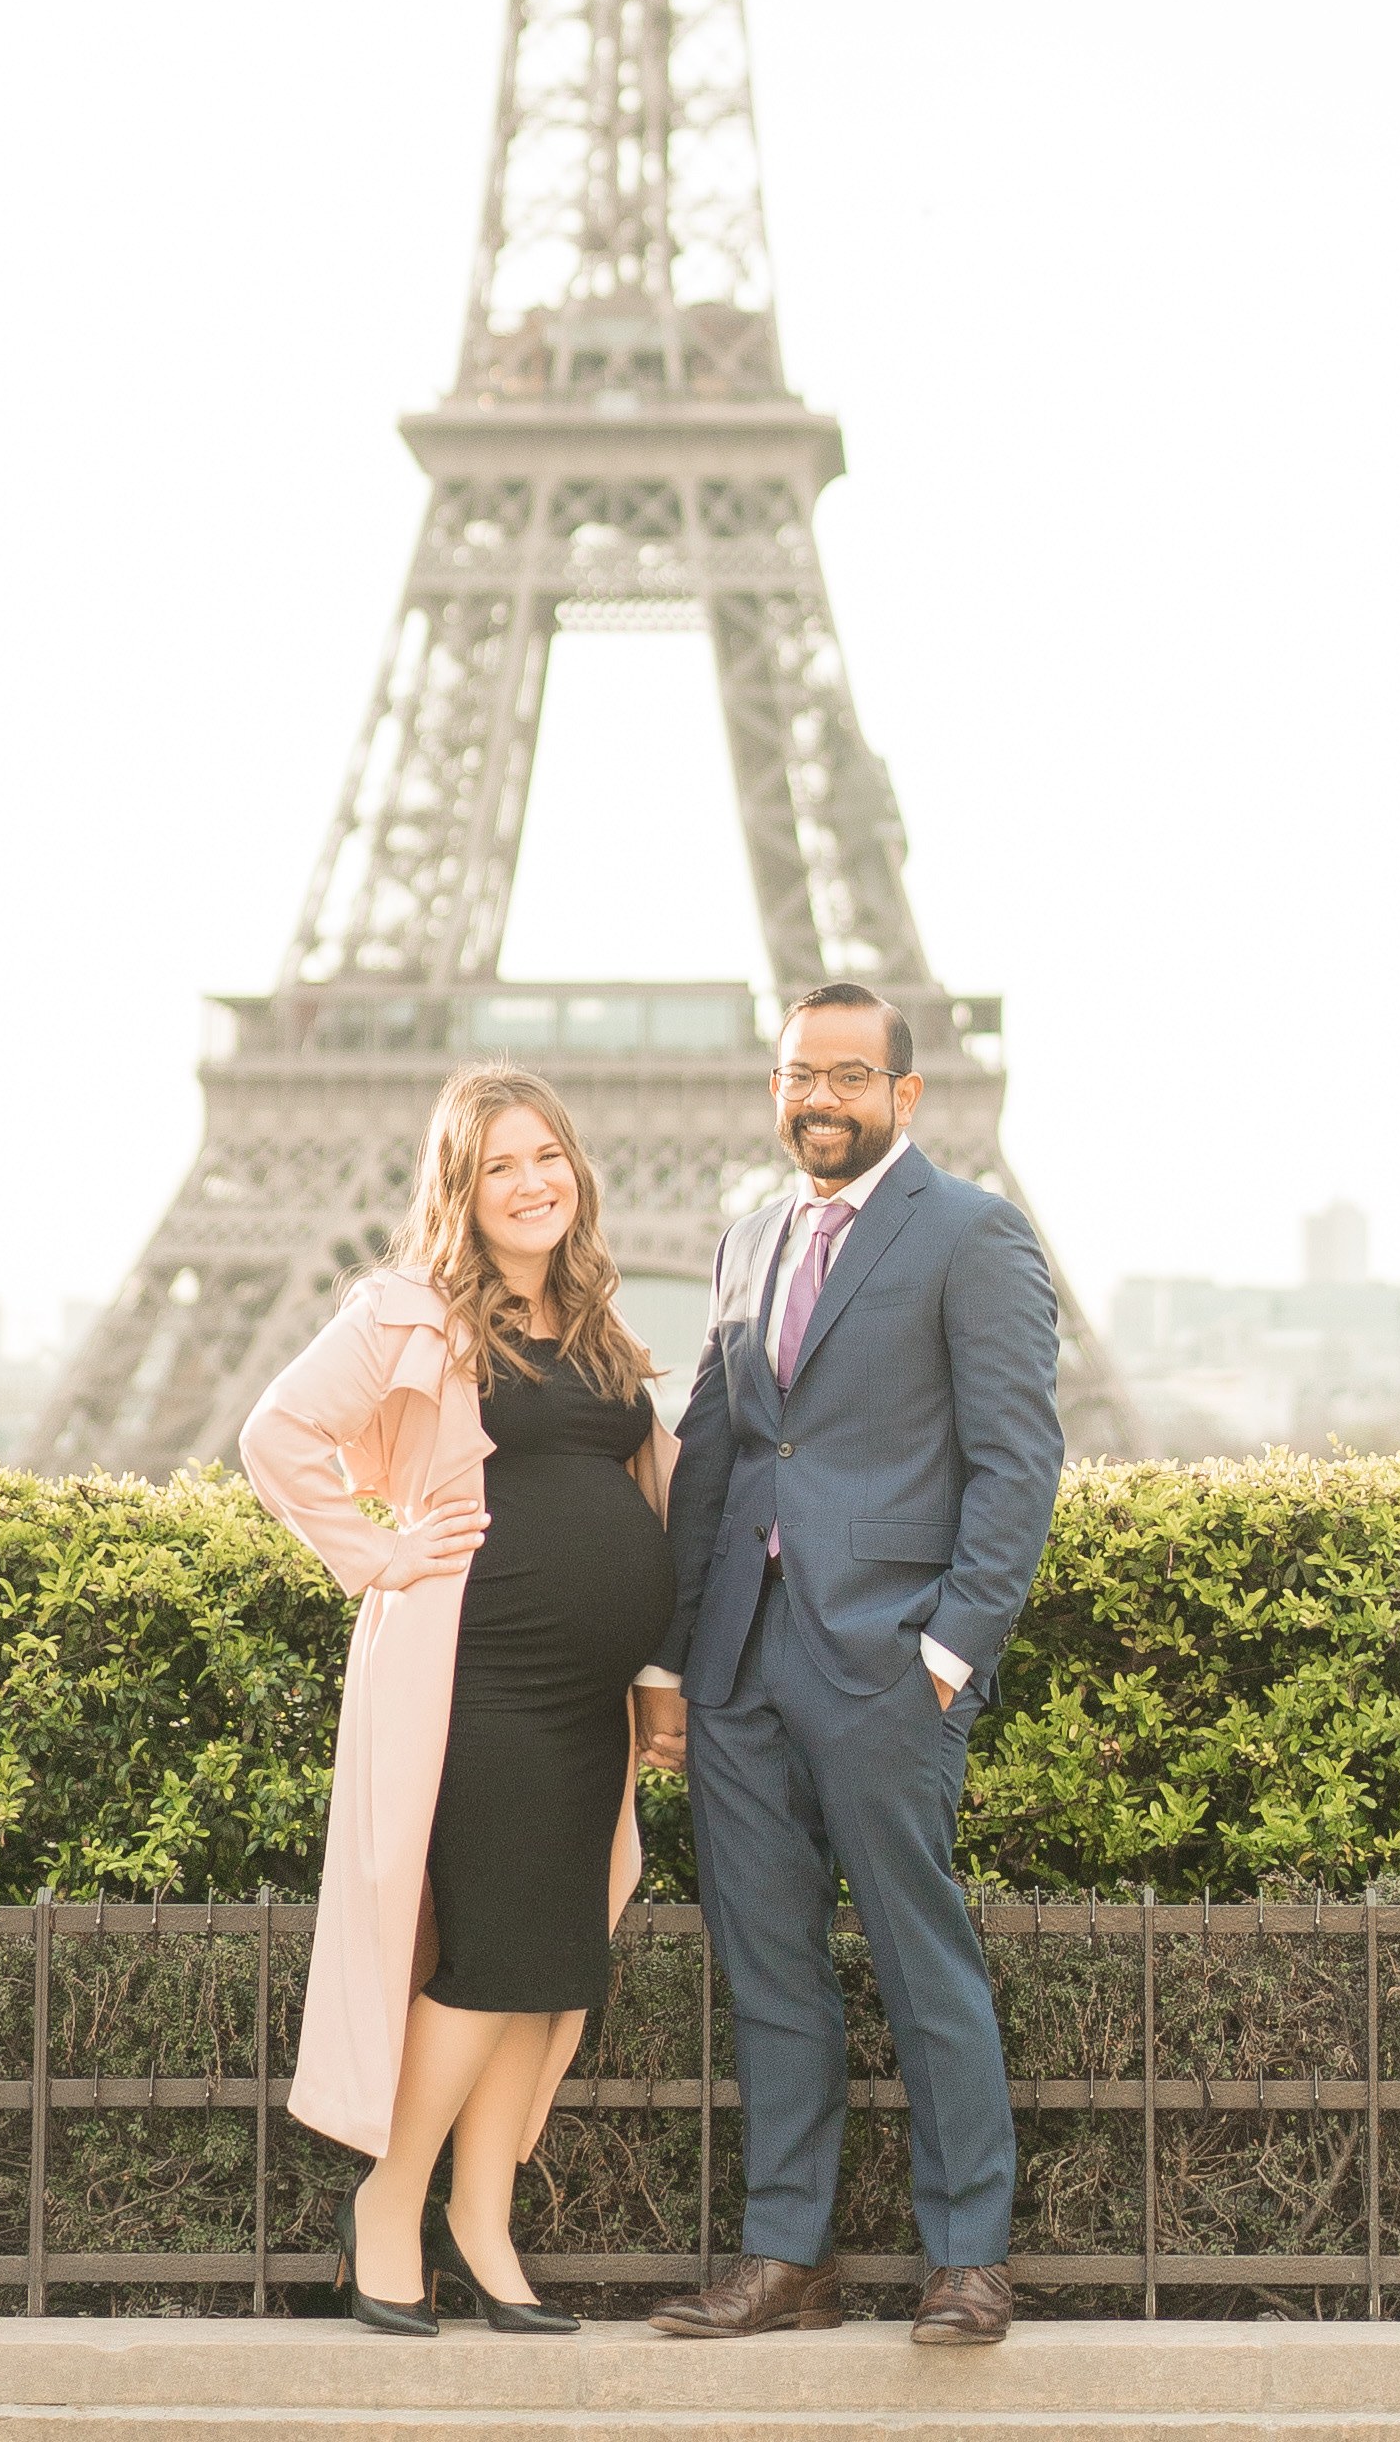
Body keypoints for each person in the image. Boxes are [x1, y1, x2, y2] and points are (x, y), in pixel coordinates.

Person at [638, 983, 1065, 2351]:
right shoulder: (748, 1238)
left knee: (916, 1956)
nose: (817, 1098)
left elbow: (1017, 1464)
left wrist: (946, 1651)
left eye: (846, 1075)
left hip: (886, 1663)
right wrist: (672, 1657)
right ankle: (787, 2255)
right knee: (769, 1971)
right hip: (741, 1669)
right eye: (794, 1076)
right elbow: (714, 1456)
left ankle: (967, 2261)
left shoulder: (972, 1235)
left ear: (902, 1093)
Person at [240, 1066, 680, 2338]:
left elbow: (648, 1498)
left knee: (553, 1965)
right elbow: (276, 1432)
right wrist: (373, 1552)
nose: (532, 1180)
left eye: (548, 1155)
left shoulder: (596, 1322)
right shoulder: (412, 1311)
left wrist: (655, 1673)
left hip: (587, 1695)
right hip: (478, 1680)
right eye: (500, 1164)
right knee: (487, 1958)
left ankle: (485, 2228)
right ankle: (389, 2201)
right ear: (461, 1187)